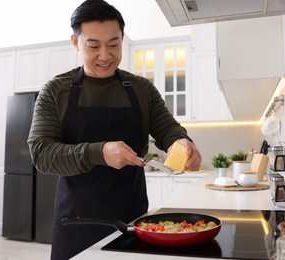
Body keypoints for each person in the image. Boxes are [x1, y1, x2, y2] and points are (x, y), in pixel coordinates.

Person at [27, 0, 202, 259]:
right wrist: (100, 153)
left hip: (133, 222)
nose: (105, 56)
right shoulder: (55, 91)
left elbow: (169, 130)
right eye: (93, 46)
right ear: (76, 43)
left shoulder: (142, 89)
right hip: (76, 223)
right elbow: (41, 153)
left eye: (113, 44)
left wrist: (182, 143)